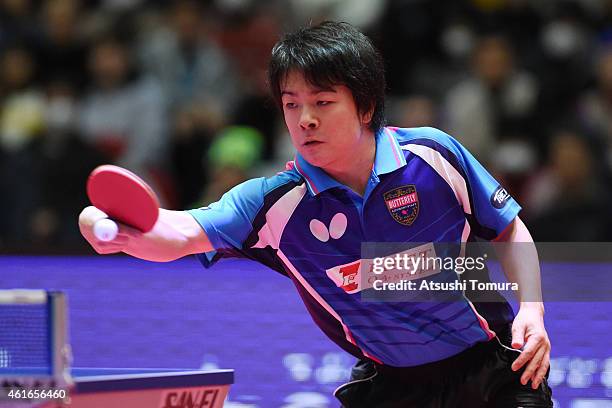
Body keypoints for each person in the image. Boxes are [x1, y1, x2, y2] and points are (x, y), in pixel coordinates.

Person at [79, 21, 552, 407]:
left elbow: (508, 228)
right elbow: (178, 232)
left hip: (495, 365)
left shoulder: (433, 156)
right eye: (292, 105)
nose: (304, 119)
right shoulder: (274, 204)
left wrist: (532, 307)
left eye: (323, 103)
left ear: (365, 105)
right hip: (393, 387)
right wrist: (120, 232)